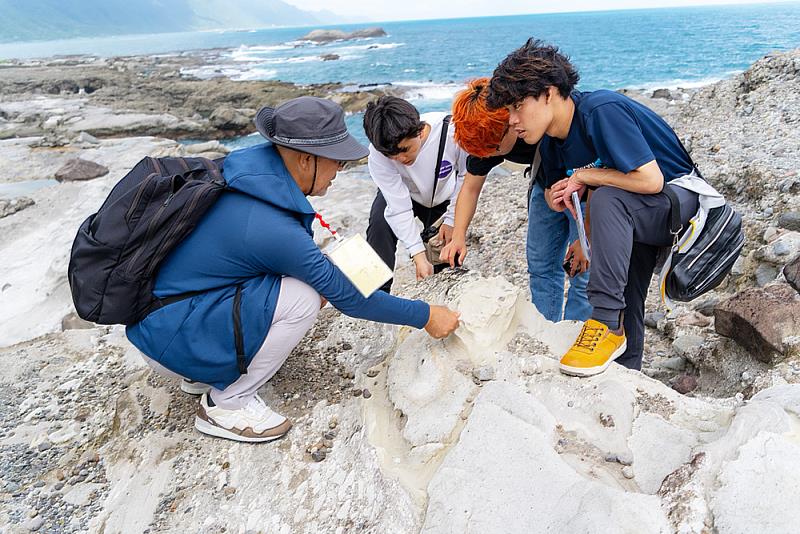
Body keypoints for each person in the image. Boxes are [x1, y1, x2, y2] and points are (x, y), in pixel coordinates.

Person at [126, 97, 461, 443]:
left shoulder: (249, 171)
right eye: (336, 161)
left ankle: (203, 371)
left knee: (308, 280)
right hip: (170, 335)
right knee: (304, 297)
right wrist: (426, 315)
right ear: (305, 159)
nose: (340, 172)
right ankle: (227, 402)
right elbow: (350, 301)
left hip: (163, 321)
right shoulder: (268, 222)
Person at [487, 39, 700, 376]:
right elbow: (576, 193)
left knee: (607, 198)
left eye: (517, 106)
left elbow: (650, 181)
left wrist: (586, 175)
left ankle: (603, 323)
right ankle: (626, 375)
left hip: (686, 209)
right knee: (627, 293)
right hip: (640, 213)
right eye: (508, 111)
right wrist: (563, 206)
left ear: (550, 92)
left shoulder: (600, 110)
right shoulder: (552, 141)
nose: (512, 120)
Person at [442, 77, 591, 323]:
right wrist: (458, 235)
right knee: (541, 265)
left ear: (512, 123)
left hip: (583, 188)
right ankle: (546, 330)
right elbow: (469, 188)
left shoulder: (542, 119)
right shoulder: (487, 137)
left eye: (494, 149)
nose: (489, 156)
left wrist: (588, 231)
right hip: (544, 184)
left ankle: (577, 331)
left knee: (585, 268)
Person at [363, 96, 467, 292]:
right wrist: (417, 254)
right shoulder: (378, 152)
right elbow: (398, 206)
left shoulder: (451, 130)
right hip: (404, 194)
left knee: (446, 260)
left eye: (405, 150)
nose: (400, 159)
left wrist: (452, 219)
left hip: (443, 194)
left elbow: (466, 177)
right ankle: (377, 294)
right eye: (391, 156)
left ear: (419, 130)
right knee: (379, 225)